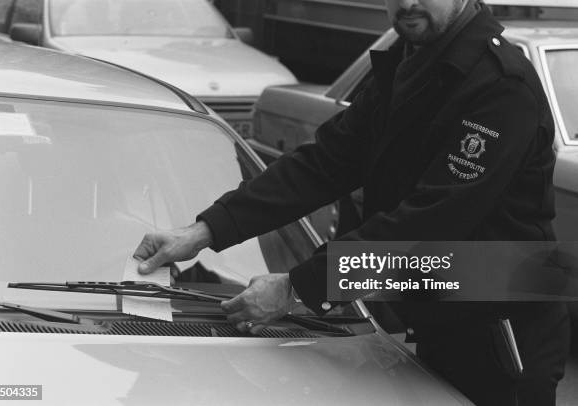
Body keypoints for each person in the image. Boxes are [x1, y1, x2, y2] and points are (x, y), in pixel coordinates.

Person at [133, 0, 570, 404]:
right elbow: (325, 163)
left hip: (500, 335)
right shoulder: (410, 62)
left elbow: (428, 224)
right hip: (430, 313)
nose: (408, 2)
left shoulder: (501, 87)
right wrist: (203, 231)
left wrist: (297, 288)